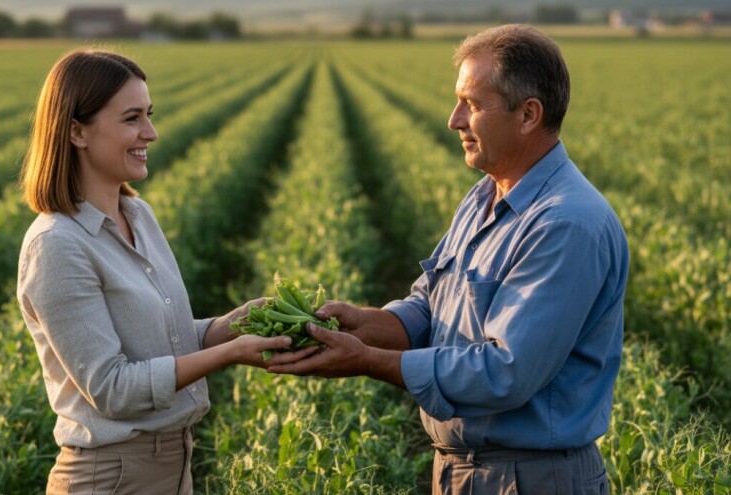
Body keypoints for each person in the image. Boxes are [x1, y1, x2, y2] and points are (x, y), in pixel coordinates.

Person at [269, 24, 629, 494]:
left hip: (531, 478)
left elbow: (506, 373)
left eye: (472, 105)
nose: (453, 120)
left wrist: (368, 360)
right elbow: (431, 308)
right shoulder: (484, 197)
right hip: (466, 470)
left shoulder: (566, 224)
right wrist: (359, 324)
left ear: (528, 115)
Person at [16, 49, 305, 494]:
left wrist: (234, 325)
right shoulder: (57, 244)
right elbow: (112, 388)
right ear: (76, 132)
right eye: (131, 119)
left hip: (173, 465)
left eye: (148, 115)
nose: (150, 133)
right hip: (109, 477)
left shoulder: (138, 215)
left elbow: (162, 341)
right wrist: (230, 354)